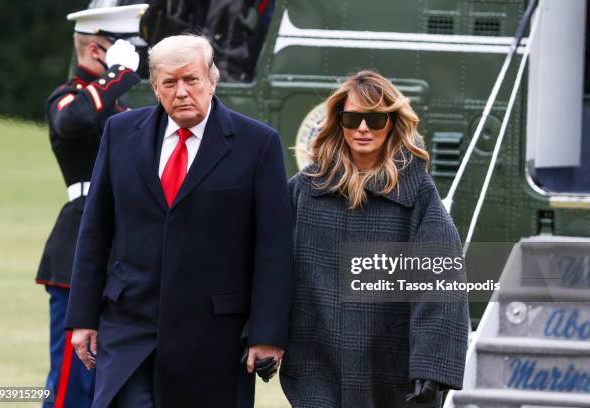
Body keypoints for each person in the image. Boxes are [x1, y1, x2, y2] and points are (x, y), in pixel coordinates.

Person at [64, 34, 293, 407]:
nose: (182, 91)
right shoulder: (120, 133)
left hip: (213, 337)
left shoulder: (258, 144)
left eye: (192, 79)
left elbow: (274, 248)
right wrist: (83, 317)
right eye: (170, 82)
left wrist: (268, 333)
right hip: (129, 330)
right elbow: (95, 231)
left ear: (212, 80)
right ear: (155, 87)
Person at [281, 70, 469, 407]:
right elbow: (270, 264)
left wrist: (432, 365)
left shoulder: (417, 192)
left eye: (375, 119)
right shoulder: (305, 189)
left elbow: (441, 280)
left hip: (390, 364)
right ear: (339, 121)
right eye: (352, 118)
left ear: (392, 122)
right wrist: (262, 334)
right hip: (315, 357)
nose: (363, 128)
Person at [36, 4, 146, 407]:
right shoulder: (69, 98)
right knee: (72, 379)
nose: (140, 58)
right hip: (81, 243)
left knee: (115, 376)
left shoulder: (116, 107)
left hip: (126, 251)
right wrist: (116, 76)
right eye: (132, 49)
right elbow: (71, 123)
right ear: (101, 50)